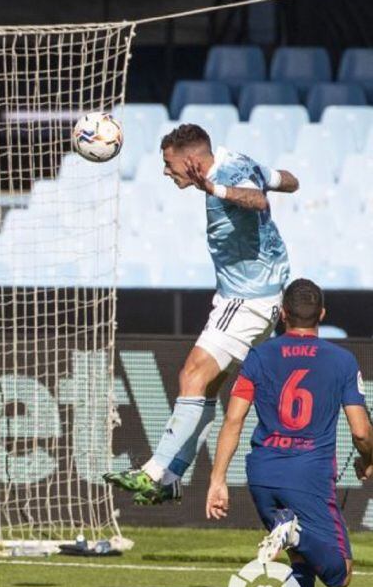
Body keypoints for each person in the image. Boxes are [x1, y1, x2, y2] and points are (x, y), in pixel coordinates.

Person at [105, 123, 300, 504]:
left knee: (191, 374)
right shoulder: (238, 160)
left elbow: (259, 201)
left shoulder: (224, 175)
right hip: (255, 297)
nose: (166, 171)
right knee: (207, 387)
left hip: (247, 301)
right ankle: (173, 474)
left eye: (169, 163)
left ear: (192, 160)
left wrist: (214, 189)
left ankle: (155, 472)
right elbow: (291, 182)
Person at [207, 279, 373, 587]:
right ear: (323, 315)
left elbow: (232, 420)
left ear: (282, 314)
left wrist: (217, 479)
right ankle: (293, 534)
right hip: (309, 476)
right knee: (340, 573)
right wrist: (368, 458)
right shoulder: (342, 361)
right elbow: (361, 431)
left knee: (303, 560)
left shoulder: (259, 357)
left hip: (263, 473)